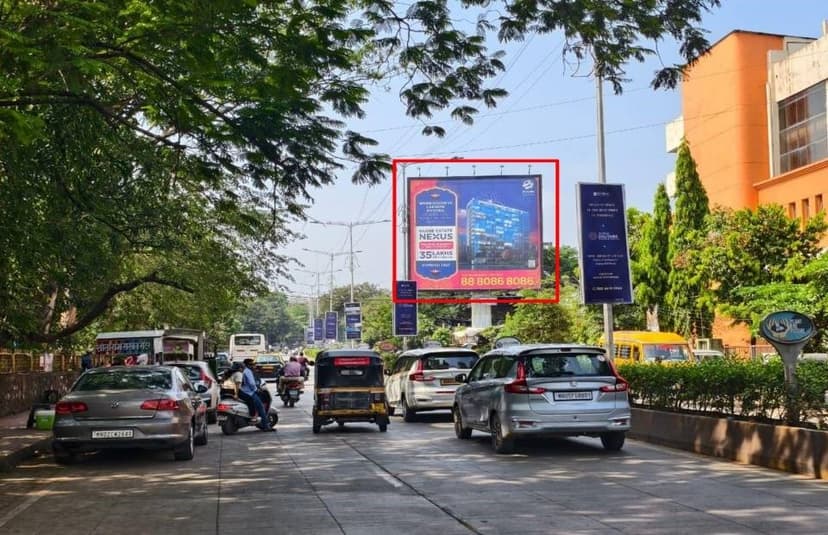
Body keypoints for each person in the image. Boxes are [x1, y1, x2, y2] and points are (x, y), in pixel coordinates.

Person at [240, 358, 273, 431]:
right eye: (251, 364)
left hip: (243, 391)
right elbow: (252, 383)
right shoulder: (248, 371)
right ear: (247, 365)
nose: (253, 366)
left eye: (253, 364)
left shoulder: (245, 371)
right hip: (249, 392)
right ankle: (266, 427)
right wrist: (256, 390)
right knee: (261, 407)